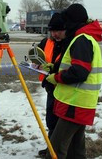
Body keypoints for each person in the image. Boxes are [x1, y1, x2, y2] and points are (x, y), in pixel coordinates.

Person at [45, 4, 102, 158]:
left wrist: (57, 78)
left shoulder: (81, 39)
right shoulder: (85, 38)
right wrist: (56, 68)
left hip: (75, 103)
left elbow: (80, 72)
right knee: (75, 150)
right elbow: (78, 66)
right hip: (79, 103)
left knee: (55, 150)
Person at [36, 13, 66, 157]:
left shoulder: (69, 44)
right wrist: (35, 63)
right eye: (52, 31)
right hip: (50, 86)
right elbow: (37, 56)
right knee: (51, 119)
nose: (54, 34)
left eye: (58, 30)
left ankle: (56, 150)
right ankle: (50, 147)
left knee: (61, 122)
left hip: (64, 87)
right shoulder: (46, 42)